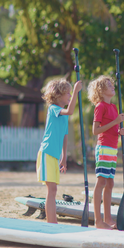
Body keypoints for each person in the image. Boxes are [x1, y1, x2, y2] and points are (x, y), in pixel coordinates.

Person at [37, 79, 82, 224]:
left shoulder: (63, 117)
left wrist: (64, 156)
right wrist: (76, 91)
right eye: (67, 93)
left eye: (70, 93)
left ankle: (52, 221)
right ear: (57, 95)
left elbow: (65, 136)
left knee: (54, 190)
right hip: (47, 152)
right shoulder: (53, 109)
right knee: (52, 190)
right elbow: (70, 110)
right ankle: (52, 222)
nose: (70, 95)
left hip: (55, 156)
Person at [87, 76, 124, 229]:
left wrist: (120, 131)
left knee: (110, 182)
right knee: (101, 181)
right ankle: (98, 221)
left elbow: (113, 129)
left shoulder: (114, 107)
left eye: (112, 84)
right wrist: (115, 122)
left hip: (113, 148)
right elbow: (95, 130)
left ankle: (108, 219)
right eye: (109, 85)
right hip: (103, 147)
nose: (112, 87)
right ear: (101, 90)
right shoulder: (100, 106)